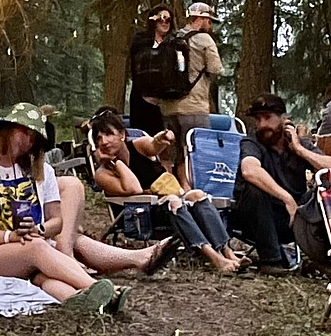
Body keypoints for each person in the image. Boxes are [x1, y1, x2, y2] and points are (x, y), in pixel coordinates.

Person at [0, 103, 180, 315]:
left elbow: (56, 221)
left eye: (33, 137)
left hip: (32, 246)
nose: (27, 142)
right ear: (6, 130)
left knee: (49, 269)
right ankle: (96, 287)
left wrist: (40, 229)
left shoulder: (42, 170)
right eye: (23, 132)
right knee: (37, 248)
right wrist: (10, 235)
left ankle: (87, 300)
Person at [90, 110, 245, 273]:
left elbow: (152, 145)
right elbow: (133, 189)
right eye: (98, 138)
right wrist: (115, 162)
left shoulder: (137, 146)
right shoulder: (102, 174)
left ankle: (228, 252)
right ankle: (215, 258)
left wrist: (161, 138)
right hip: (140, 216)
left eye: (109, 134)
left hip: (168, 206)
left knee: (196, 194)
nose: (104, 142)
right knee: (174, 201)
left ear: (122, 134)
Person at [232, 93, 331, 274]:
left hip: (292, 221)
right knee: (254, 188)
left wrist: (300, 150)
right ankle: (271, 261)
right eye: (258, 119)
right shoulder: (252, 141)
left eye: (268, 118)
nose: (262, 125)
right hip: (255, 219)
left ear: (284, 119)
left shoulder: (298, 144)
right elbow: (249, 170)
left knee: (326, 190)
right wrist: (287, 199)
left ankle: (321, 259)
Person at [158, 2, 224, 187]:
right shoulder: (205, 39)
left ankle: (172, 190)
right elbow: (215, 68)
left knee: (173, 154)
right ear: (201, 19)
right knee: (196, 153)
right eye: (209, 20)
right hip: (194, 107)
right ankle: (194, 194)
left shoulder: (172, 38)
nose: (210, 25)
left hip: (168, 107)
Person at [128, 3, 176, 135]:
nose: (165, 23)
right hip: (143, 99)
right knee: (143, 137)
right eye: (161, 19)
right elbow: (137, 67)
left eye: (169, 20)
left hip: (167, 101)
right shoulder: (141, 41)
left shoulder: (174, 43)